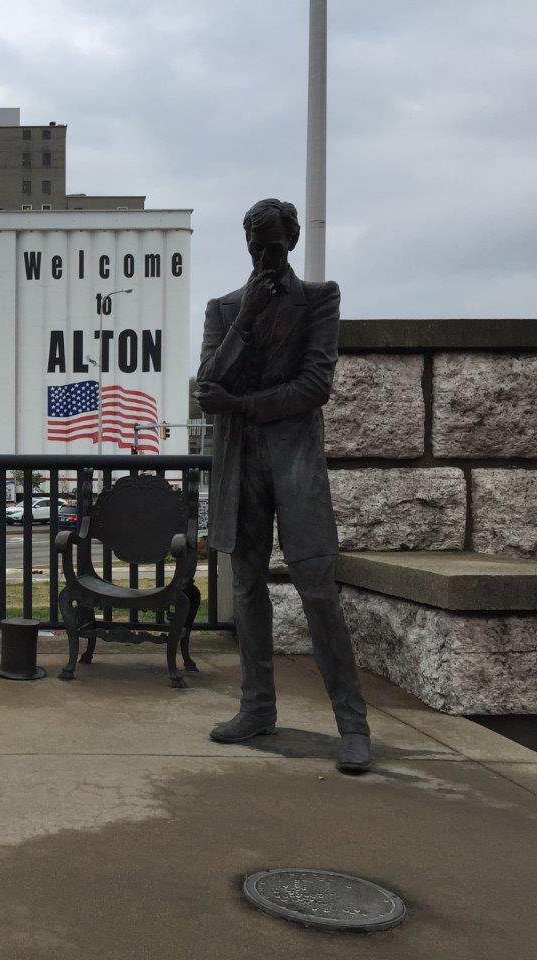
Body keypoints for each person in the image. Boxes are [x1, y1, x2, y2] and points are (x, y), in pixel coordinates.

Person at [195, 198, 371, 774]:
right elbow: (207, 385)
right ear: (246, 245)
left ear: (291, 241)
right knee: (247, 589)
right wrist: (245, 318)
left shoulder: (320, 298)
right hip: (239, 467)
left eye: (274, 244)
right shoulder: (224, 309)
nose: (266, 254)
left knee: (317, 589)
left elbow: (313, 385)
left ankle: (353, 724)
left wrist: (241, 405)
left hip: (294, 465)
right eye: (257, 245)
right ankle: (256, 707)